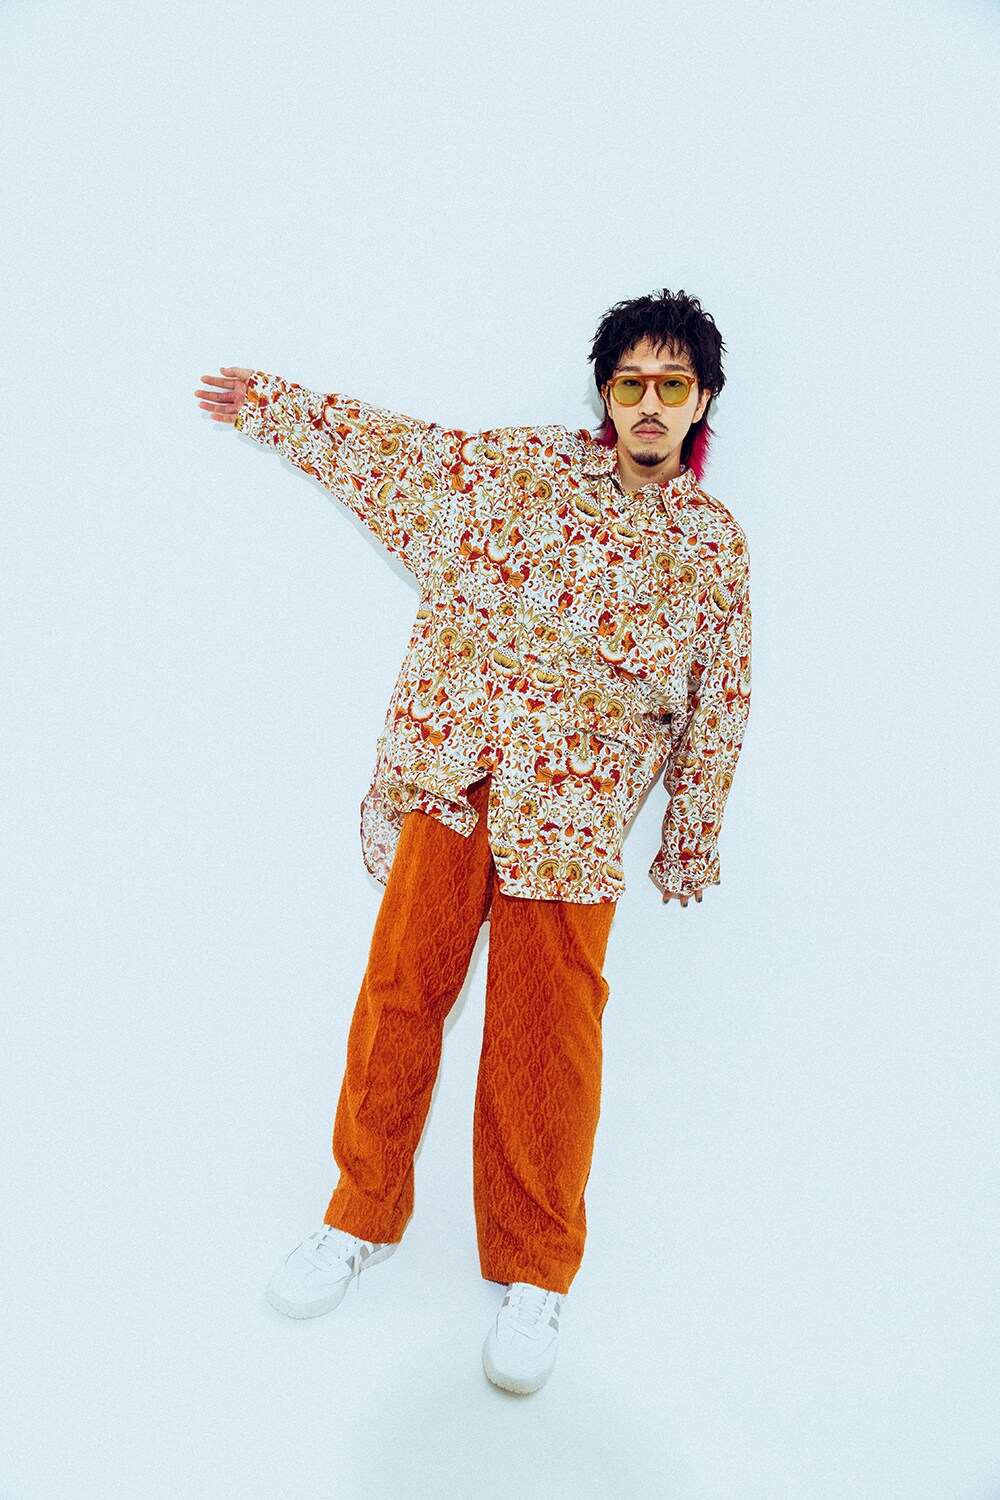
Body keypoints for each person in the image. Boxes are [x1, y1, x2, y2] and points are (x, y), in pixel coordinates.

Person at [193, 287, 752, 1396]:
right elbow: (399, 457)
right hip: (459, 778)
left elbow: (721, 705)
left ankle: (536, 1273)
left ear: (702, 401)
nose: (649, 403)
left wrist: (690, 836)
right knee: (400, 996)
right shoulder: (520, 472)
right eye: (630, 383)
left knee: (547, 1044)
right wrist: (277, 406)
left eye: (671, 385)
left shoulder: (713, 552)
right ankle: (357, 1217)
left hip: (574, 821)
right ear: (606, 394)